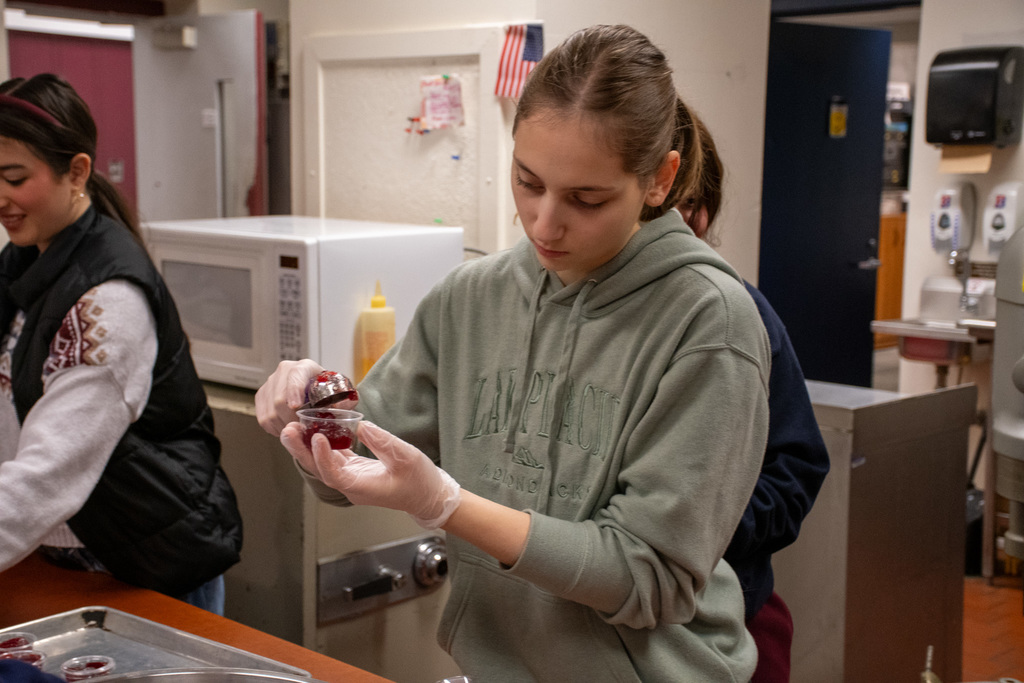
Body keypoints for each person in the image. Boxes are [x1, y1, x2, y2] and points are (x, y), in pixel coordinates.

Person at [257, 25, 771, 681]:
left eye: (587, 198)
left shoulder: (709, 320)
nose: (544, 222)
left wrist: (446, 505)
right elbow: (357, 459)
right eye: (528, 181)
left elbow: (650, 577)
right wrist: (314, 415)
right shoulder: (471, 298)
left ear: (660, 179)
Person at [0, 74, 242, 614]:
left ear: (78, 171)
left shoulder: (108, 300)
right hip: (57, 557)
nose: (1, 198)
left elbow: (48, 472)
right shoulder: (24, 263)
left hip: (135, 566)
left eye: (14, 177)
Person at [678, 112, 830, 683]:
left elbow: (798, 467)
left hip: (726, 620)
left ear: (700, 215)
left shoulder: (740, 315)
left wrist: (699, 529)